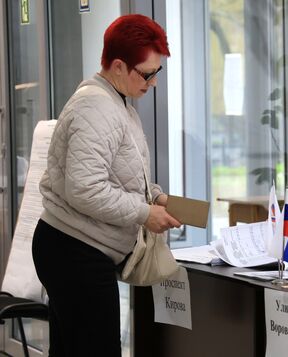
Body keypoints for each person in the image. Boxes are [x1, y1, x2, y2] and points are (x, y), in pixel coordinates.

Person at [32, 14, 181, 356]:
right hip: (75, 251)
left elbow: (119, 170)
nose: (153, 82)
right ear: (117, 66)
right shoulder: (95, 106)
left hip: (76, 249)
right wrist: (145, 213)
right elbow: (85, 189)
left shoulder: (117, 102)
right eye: (147, 74)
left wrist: (156, 195)